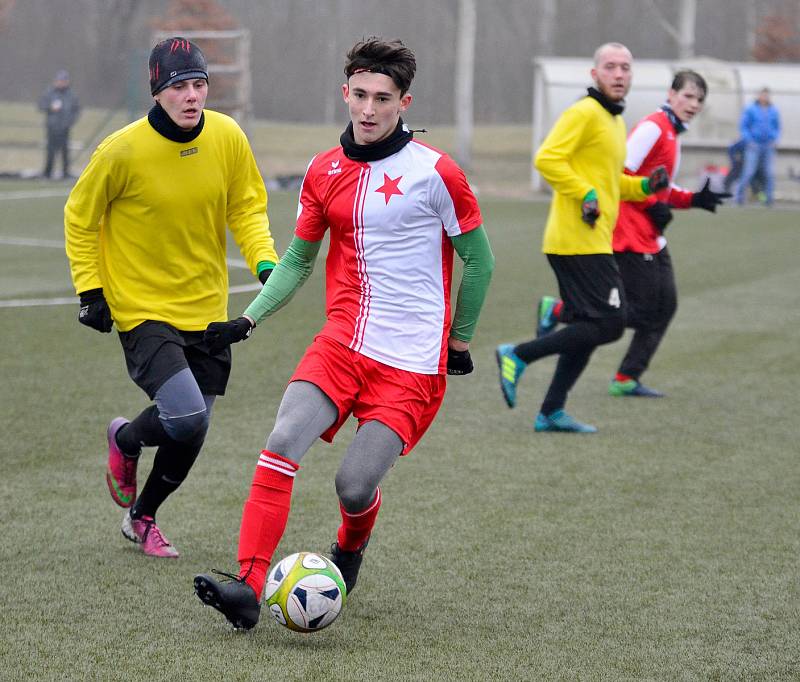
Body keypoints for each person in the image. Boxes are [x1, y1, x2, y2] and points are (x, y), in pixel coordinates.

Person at [193, 37, 494, 630]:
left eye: (383, 98)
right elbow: (300, 261)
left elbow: (479, 261)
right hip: (341, 342)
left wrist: (458, 341)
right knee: (281, 442)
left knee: (353, 486)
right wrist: (248, 317)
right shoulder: (322, 170)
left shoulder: (438, 174)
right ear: (345, 93)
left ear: (404, 102)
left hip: (410, 364)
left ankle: (349, 550)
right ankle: (248, 585)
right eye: (360, 94)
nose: (369, 108)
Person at [64, 37, 279, 558]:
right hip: (142, 307)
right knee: (185, 416)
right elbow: (80, 216)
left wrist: (265, 261)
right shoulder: (121, 150)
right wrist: (90, 289)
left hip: (206, 306)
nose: (191, 96)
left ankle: (142, 517)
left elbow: (247, 208)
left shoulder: (227, 136)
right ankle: (126, 442)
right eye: (179, 86)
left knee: (193, 428)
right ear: (157, 92)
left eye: (199, 84)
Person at [495, 42, 668, 433]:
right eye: (611, 66)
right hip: (576, 239)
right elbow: (547, 158)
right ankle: (518, 354)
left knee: (589, 328)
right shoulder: (584, 112)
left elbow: (608, 181)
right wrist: (584, 194)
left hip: (592, 239)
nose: (619, 74)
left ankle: (550, 411)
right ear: (595, 74)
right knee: (611, 323)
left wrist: (643, 186)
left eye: (625, 67)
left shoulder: (614, 120)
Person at [533, 71, 731, 398]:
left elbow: (658, 187)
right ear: (671, 94)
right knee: (629, 313)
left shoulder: (671, 132)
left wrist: (693, 199)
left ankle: (626, 376)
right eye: (688, 96)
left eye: (699, 99)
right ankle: (561, 312)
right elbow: (619, 175)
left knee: (661, 308)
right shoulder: (655, 127)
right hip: (628, 234)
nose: (693, 104)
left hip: (650, 236)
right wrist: (653, 203)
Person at [735, 87, 780, 206]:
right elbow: (743, 126)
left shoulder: (773, 110)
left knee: (769, 173)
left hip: (768, 146)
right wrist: (749, 141)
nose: (765, 97)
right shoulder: (750, 109)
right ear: (758, 96)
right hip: (753, 145)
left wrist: (774, 139)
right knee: (749, 171)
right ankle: (738, 198)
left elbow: (777, 127)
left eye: (767, 95)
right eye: (762, 95)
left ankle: (768, 200)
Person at [38, 69, 80, 179]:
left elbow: (76, 110)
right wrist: (50, 108)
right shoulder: (50, 93)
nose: (61, 82)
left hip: (65, 128)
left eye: (63, 80)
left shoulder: (71, 95)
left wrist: (70, 121)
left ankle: (65, 173)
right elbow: (41, 105)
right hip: (52, 127)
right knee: (50, 151)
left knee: (65, 151)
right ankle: (48, 173)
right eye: (59, 80)